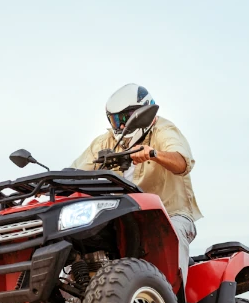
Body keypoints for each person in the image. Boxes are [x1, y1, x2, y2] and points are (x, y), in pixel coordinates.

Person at [69, 83, 203, 288]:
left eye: (125, 118)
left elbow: (182, 162)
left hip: (170, 215)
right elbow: (75, 172)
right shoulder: (105, 142)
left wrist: (154, 154)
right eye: (115, 120)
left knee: (171, 235)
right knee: (80, 233)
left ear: (143, 114)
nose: (121, 126)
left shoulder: (163, 131)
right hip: (122, 219)